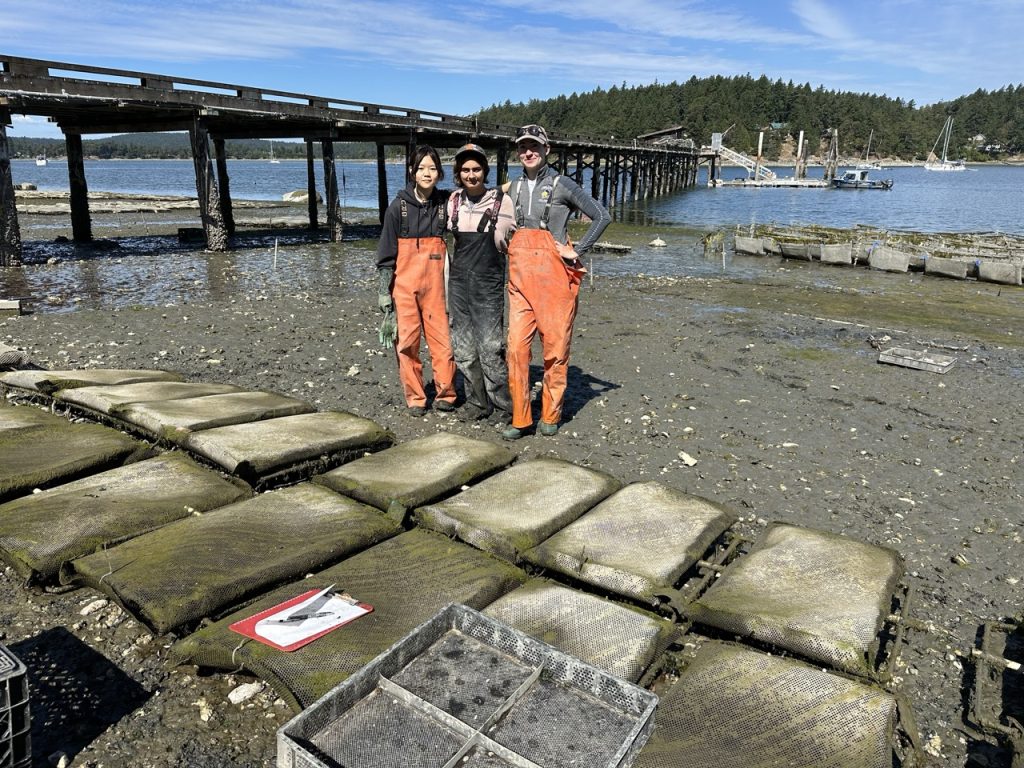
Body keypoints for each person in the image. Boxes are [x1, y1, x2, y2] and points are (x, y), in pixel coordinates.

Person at [501, 124, 611, 440]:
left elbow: (602, 216)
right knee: (517, 350)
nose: (528, 152)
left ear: (547, 149)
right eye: (523, 147)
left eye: (534, 146)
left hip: (555, 279)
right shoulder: (512, 187)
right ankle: (520, 418)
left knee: (555, 349)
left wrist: (577, 249)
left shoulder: (562, 184)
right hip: (520, 281)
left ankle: (550, 414)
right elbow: (482, 200)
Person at [375, 145, 457, 417]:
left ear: (440, 173)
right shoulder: (397, 209)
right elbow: (386, 257)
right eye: (421, 167)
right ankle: (416, 397)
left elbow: (477, 192)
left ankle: (446, 393)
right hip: (404, 287)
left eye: (432, 168)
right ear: (411, 171)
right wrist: (385, 299)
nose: (427, 173)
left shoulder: (446, 203)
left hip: (436, 287)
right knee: (407, 343)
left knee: (442, 341)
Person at [446, 143, 516, 424]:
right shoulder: (452, 201)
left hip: (488, 281)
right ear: (458, 173)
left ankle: (502, 405)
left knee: (490, 345)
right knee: (462, 347)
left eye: (476, 169)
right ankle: (476, 402)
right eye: (465, 169)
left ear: (485, 171)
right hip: (459, 282)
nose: (471, 174)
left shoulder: (503, 201)